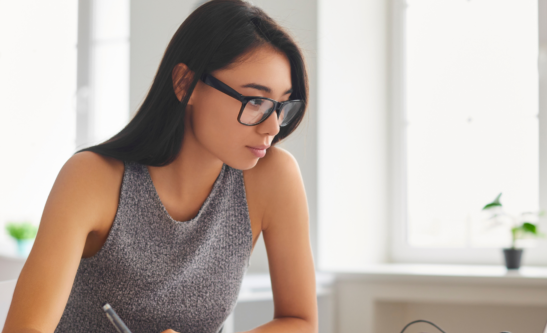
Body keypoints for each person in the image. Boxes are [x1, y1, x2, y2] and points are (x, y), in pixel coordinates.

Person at [2, 0, 317, 332]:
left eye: (282, 106)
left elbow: (300, 321)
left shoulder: (272, 176)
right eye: (256, 101)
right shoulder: (91, 178)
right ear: (185, 84)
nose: (273, 127)